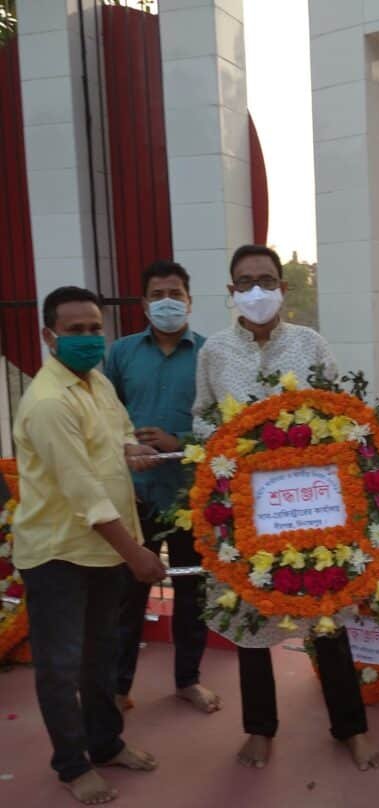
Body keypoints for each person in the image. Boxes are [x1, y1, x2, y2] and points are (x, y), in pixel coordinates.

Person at [193, 244, 379, 772]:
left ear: (283, 286)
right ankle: (260, 730)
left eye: (267, 279)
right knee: (250, 615)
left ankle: (350, 729)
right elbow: (202, 421)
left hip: (313, 507)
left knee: (327, 613)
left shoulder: (311, 345)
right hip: (247, 510)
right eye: (246, 281)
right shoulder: (213, 352)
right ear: (231, 291)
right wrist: (241, 444)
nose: (257, 290)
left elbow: (343, 417)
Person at [12, 286, 167, 806]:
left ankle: (105, 743)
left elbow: (117, 431)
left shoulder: (95, 381)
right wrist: (138, 554)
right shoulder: (48, 401)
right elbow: (84, 494)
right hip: (58, 551)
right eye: (74, 331)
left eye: (93, 328)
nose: (87, 339)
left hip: (102, 551)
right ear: (48, 336)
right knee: (60, 665)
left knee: (100, 656)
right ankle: (72, 765)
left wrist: (133, 449)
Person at [106, 261, 220, 715]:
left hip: (191, 497)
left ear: (190, 301)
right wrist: (127, 444)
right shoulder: (122, 353)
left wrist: (182, 444)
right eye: (157, 294)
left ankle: (188, 680)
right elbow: (104, 415)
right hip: (134, 496)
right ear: (143, 303)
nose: (167, 301)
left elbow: (225, 425)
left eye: (175, 293)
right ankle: (118, 686)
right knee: (128, 596)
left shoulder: (211, 354)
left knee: (192, 593)